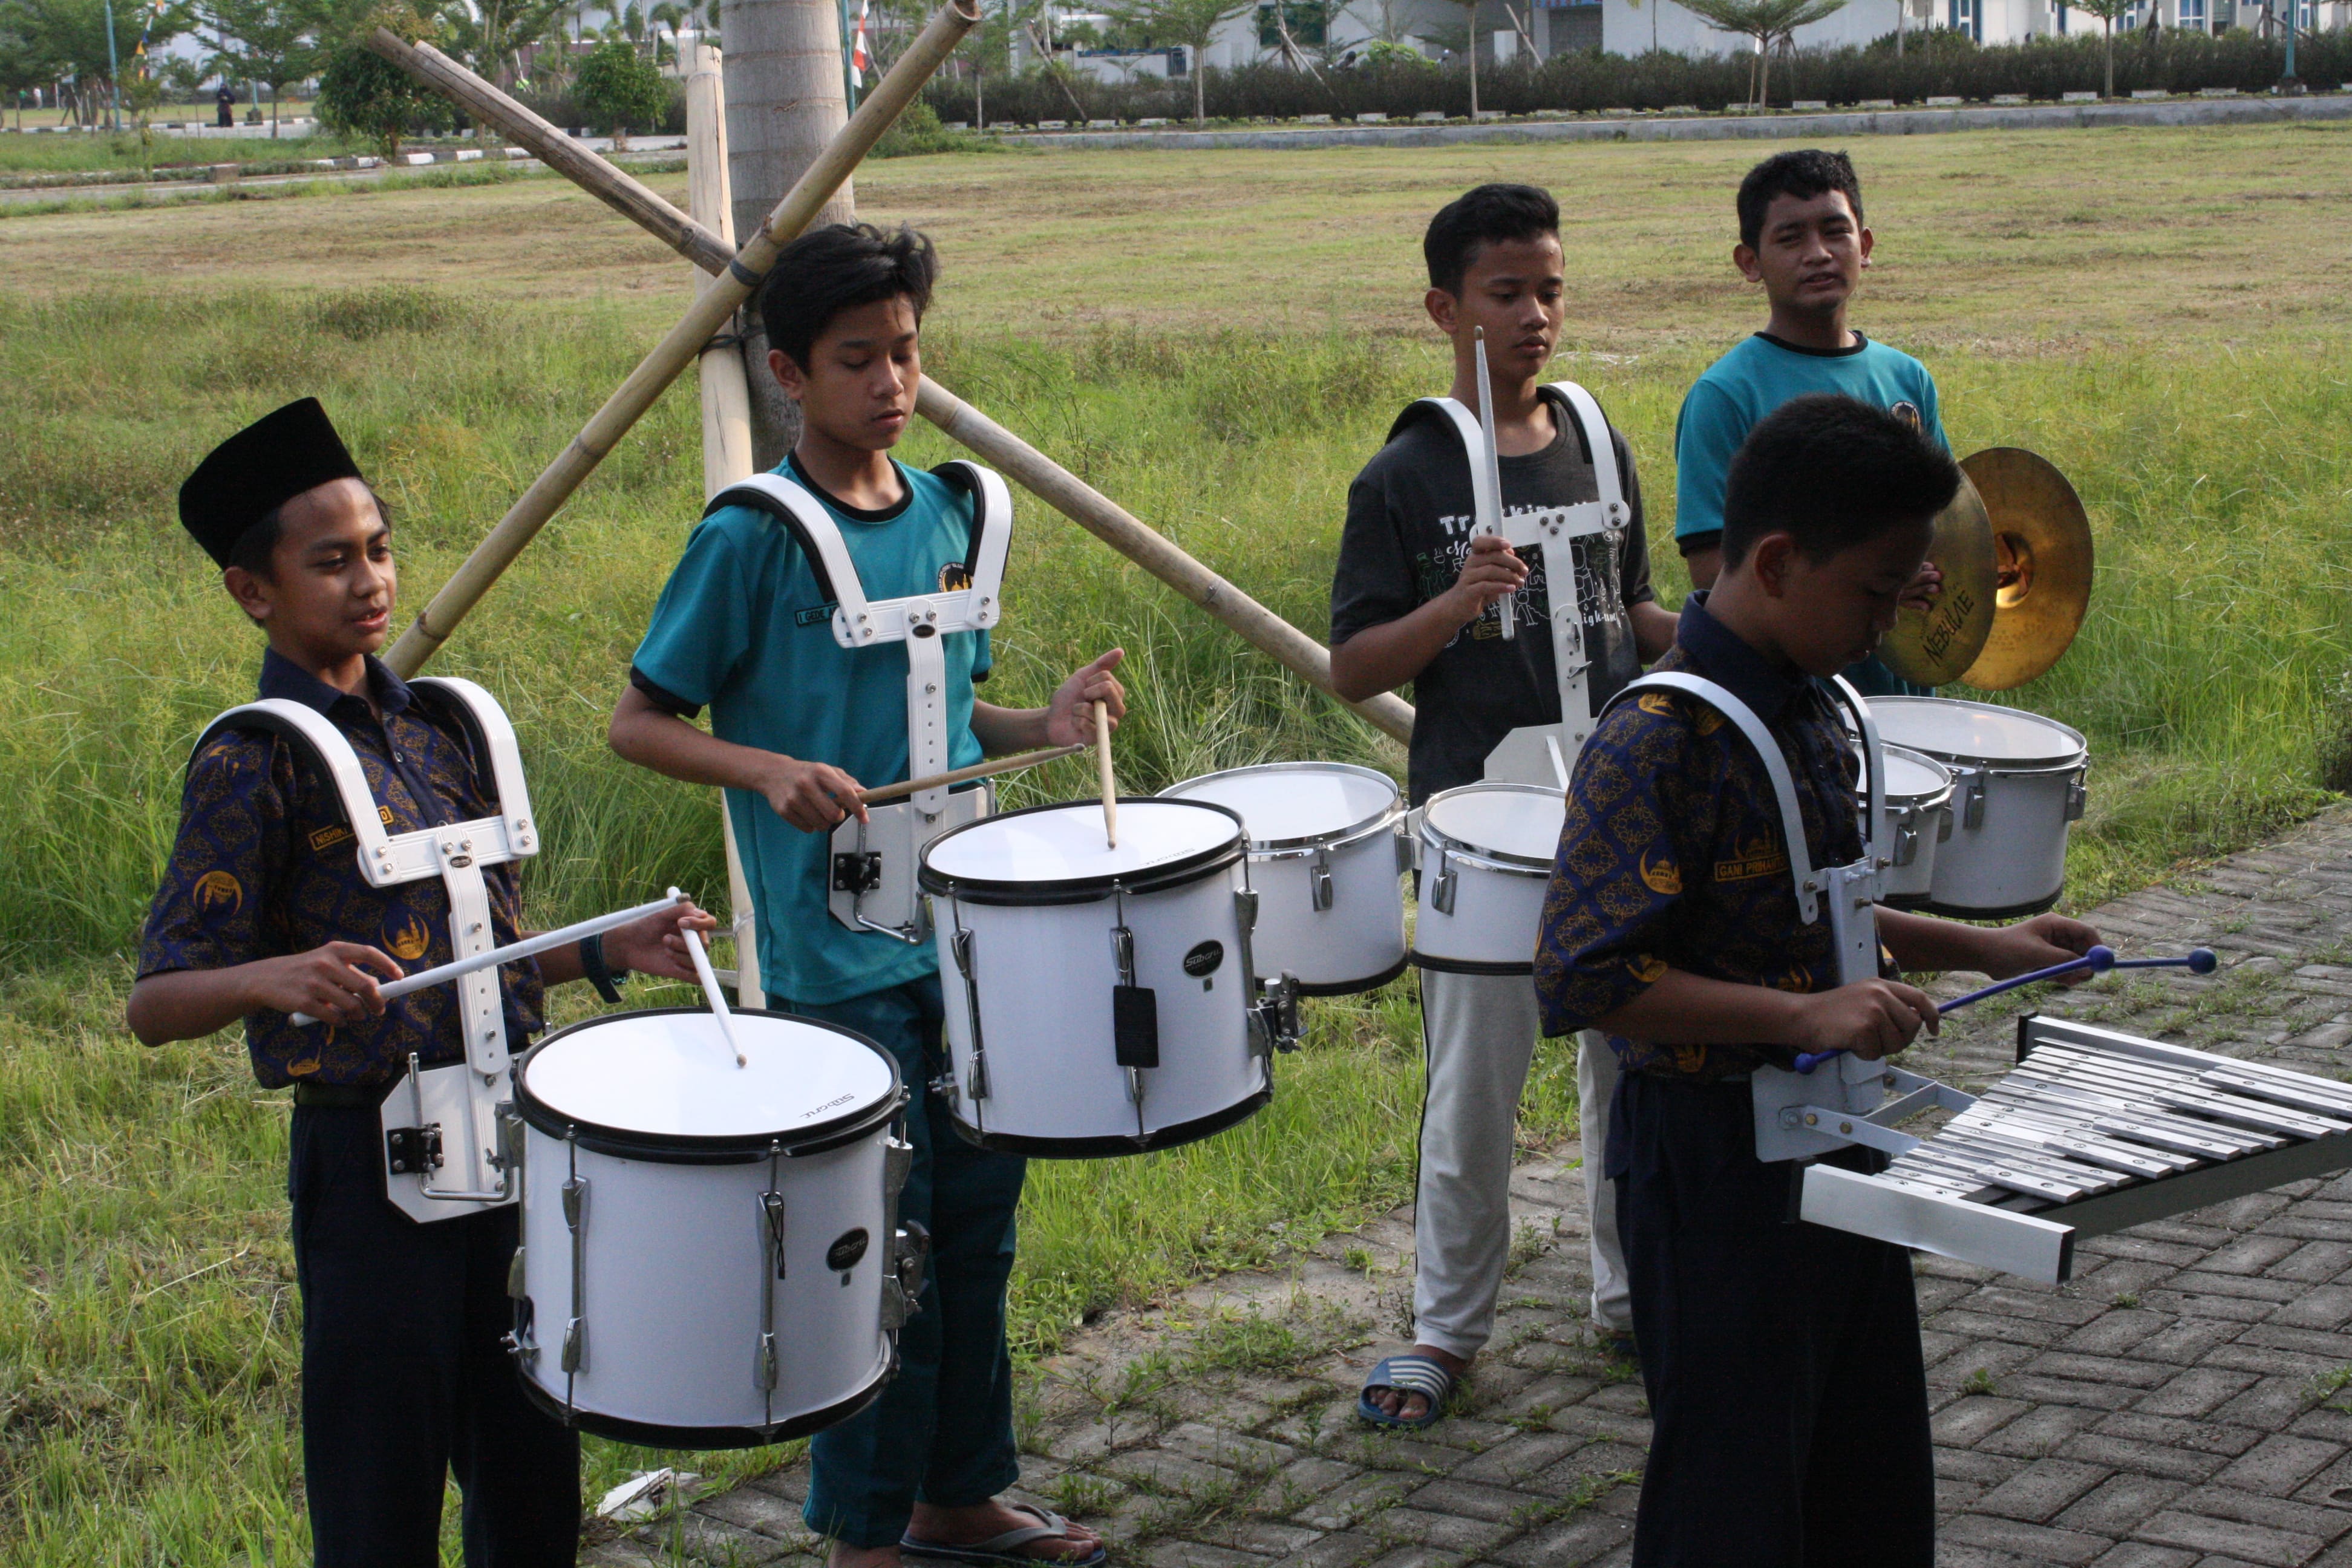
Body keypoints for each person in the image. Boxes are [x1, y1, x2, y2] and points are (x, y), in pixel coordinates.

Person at [126, 397, 719, 1567]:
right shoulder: (254, 759)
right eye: (330, 560)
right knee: (379, 1490)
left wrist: (609, 947)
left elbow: (482, 953)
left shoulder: (442, 728)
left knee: (532, 1463)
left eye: (380, 548)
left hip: (509, 1145)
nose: (370, 581)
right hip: (367, 1172)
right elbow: (156, 1002)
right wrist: (277, 976)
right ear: (252, 590)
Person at [607, 223, 1120, 1568]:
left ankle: (960, 1494)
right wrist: (765, 768)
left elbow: (952, 717)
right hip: (834, 965)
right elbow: (640, 720)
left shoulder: (952, 515)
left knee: (977, 1229)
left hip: (970, 949)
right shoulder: (751, 537)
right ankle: (862, 1533)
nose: (890, 382)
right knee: (878, 1244)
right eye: (855, 359)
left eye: (905, 351)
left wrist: (1045, 726)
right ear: (787, 374)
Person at [1534, 394, 2102, 1567]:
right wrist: (1804, 1013)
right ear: (1778, 562)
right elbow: (1587, 978)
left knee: (1865, 1472)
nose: (1893, 617)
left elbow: (1815, 909)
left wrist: (1988, 946)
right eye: (1877, 589)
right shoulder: (1654, 740)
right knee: (1732, 1498)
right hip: (1709, 1169)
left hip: (1837, 1143)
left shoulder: (1814, 703)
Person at [1330, 183, 1678, 1428]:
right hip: (1479, 815)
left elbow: (1634, 606)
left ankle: (1635, 1292)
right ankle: (1445, 1327)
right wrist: (1456, 604)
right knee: (1475, 1078)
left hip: (1614, 795)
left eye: (1551, 290)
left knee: (1632, 1057)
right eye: (1506, 293)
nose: (1535, 315)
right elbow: (1354, 666)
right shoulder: (1404, 473)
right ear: (1444, 309)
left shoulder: (1594, 436)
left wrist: (1715, 638)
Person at [1671, 148, 1947, 697]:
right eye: (1790, 238)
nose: (1818, 254)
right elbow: (1715, 573)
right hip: (1793, 701)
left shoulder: (1907, 378)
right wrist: (1869, 584)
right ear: (1750, 262)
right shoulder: (1725, 396)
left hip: (1905, 697)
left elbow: (1946, 525)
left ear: (1865, 246)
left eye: (1835, 232)